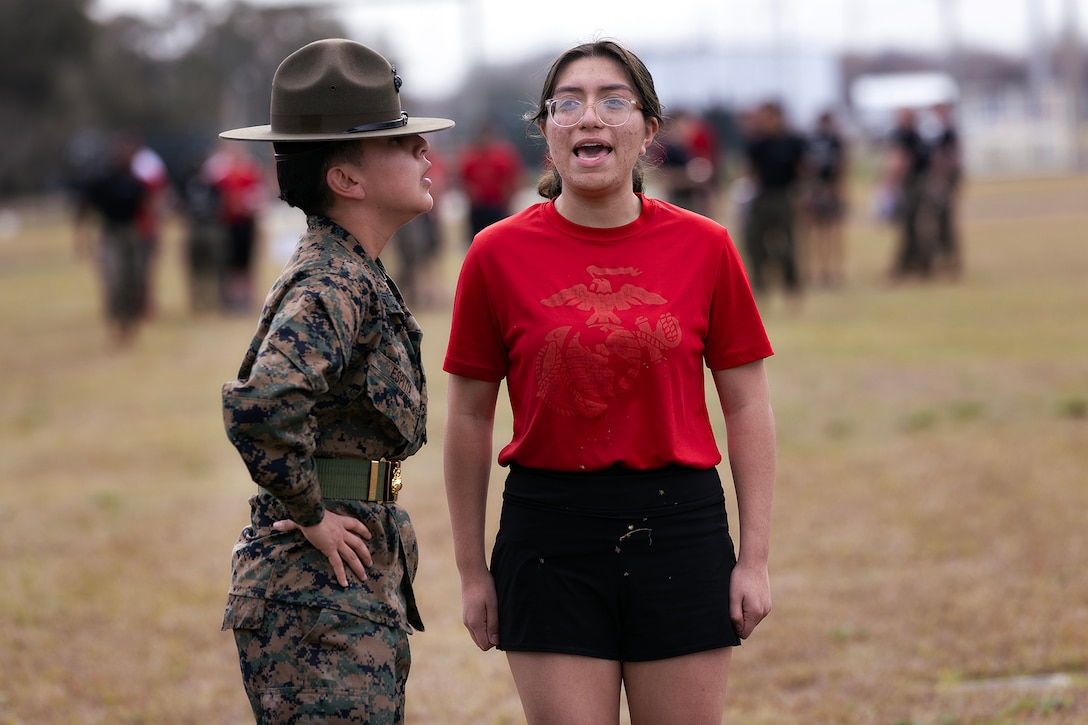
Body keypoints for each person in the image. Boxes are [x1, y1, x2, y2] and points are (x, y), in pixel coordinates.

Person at [443, 40, 776, 724]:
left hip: (680, 527)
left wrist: (756, 558)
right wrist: (472, 571)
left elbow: (746, 406)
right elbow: (469, 418)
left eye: (612, 100)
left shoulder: (706, 246)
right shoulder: (493, 254)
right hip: (548, 536)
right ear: (547, 131)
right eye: (568, 103)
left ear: (649, 131)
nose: (589, 116)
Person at [217, 38, 453, 724]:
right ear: (348, 180)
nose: (423, 153)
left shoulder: (354, 269)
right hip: (313, 587)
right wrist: (313, 512)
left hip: (343, 577)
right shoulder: (331, 281)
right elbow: (262, 406)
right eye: (402, 144)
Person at [72, 133, 150, 348]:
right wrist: (81, 239)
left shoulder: (134, 182)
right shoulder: (101, 181)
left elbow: (147, 208)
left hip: (131, 234)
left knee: (132, 280)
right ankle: (117, 323)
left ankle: (130, 321)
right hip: (111, 234)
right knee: (114, 279)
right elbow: (83, 209)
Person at [742, 100, 808, 303]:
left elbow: (803, 170)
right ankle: (760, 285)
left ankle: (791, 285)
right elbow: (750, 171)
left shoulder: (794, 141)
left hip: (785, 195)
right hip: (763, 196)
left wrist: (801, 196)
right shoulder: (758, 143)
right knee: (754, 240)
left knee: (787, 244)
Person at [885, 106, 933, 279]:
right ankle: (914, 264)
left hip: (915, 182)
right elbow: (900, 160)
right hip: (913, 182)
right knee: (912, 225)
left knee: (914, 225)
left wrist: (891, 183)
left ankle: (913, 264)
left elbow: (900, 160)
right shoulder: (908, 134)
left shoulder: (910, 135)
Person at [802, 110, 849, 288]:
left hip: (828, 189)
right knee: (817, 232)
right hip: (818, 189)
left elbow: (841, 164)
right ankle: (819, 271)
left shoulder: (833, 140)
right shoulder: (814, 140)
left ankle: (831, 271)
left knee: (830, 232)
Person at [457, 121, 524, 242]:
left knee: (499, 240)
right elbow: (464, 180)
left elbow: (514, 179)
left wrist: (508, 198)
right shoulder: (470, 158)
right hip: (478, 208)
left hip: (497, 206)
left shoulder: (502, 156)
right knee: (477, 240)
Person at [928, 101, 963, 278]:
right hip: (940, 180)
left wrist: (942, 180)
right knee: (938, 223)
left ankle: (950, 261)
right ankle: (943, 260)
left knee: (946, 223)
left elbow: (951, 158)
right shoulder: (938, 132)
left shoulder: (948, 132)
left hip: (945, 181)